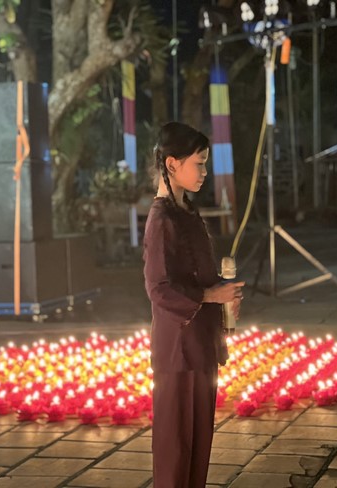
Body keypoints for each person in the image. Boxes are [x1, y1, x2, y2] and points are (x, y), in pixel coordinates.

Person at [143, 121, 244, 488]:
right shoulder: (162, 219)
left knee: (198, 444)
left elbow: (196, 275)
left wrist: (223, 294)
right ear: (172, 164)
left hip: (201, 343)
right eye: (198, 164)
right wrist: (209, 296)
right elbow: (159, 289)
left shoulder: (187, 212)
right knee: (176, 447)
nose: (204, 172)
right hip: (178, 349)